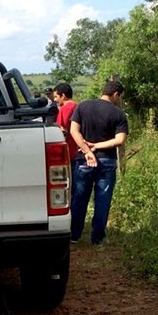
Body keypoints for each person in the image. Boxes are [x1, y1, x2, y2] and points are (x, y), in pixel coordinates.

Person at [68, 80, 128, 246]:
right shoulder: (118, 114)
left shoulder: (83, 106)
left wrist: (87, 151)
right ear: (116, 94)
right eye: (120, 97)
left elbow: (74, 130)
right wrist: (97, 147)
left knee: (79, 197)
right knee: (102, 199)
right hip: (107, 161)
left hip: (83, 161)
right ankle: (98, 238)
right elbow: (120, 140)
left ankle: (74, 235)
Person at [52, 82, 77, 158]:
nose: (55, 99)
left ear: (63, 96)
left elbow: (62, 129)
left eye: (56, 97)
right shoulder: (76, 106)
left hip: (70, 149)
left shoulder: (65, 108)